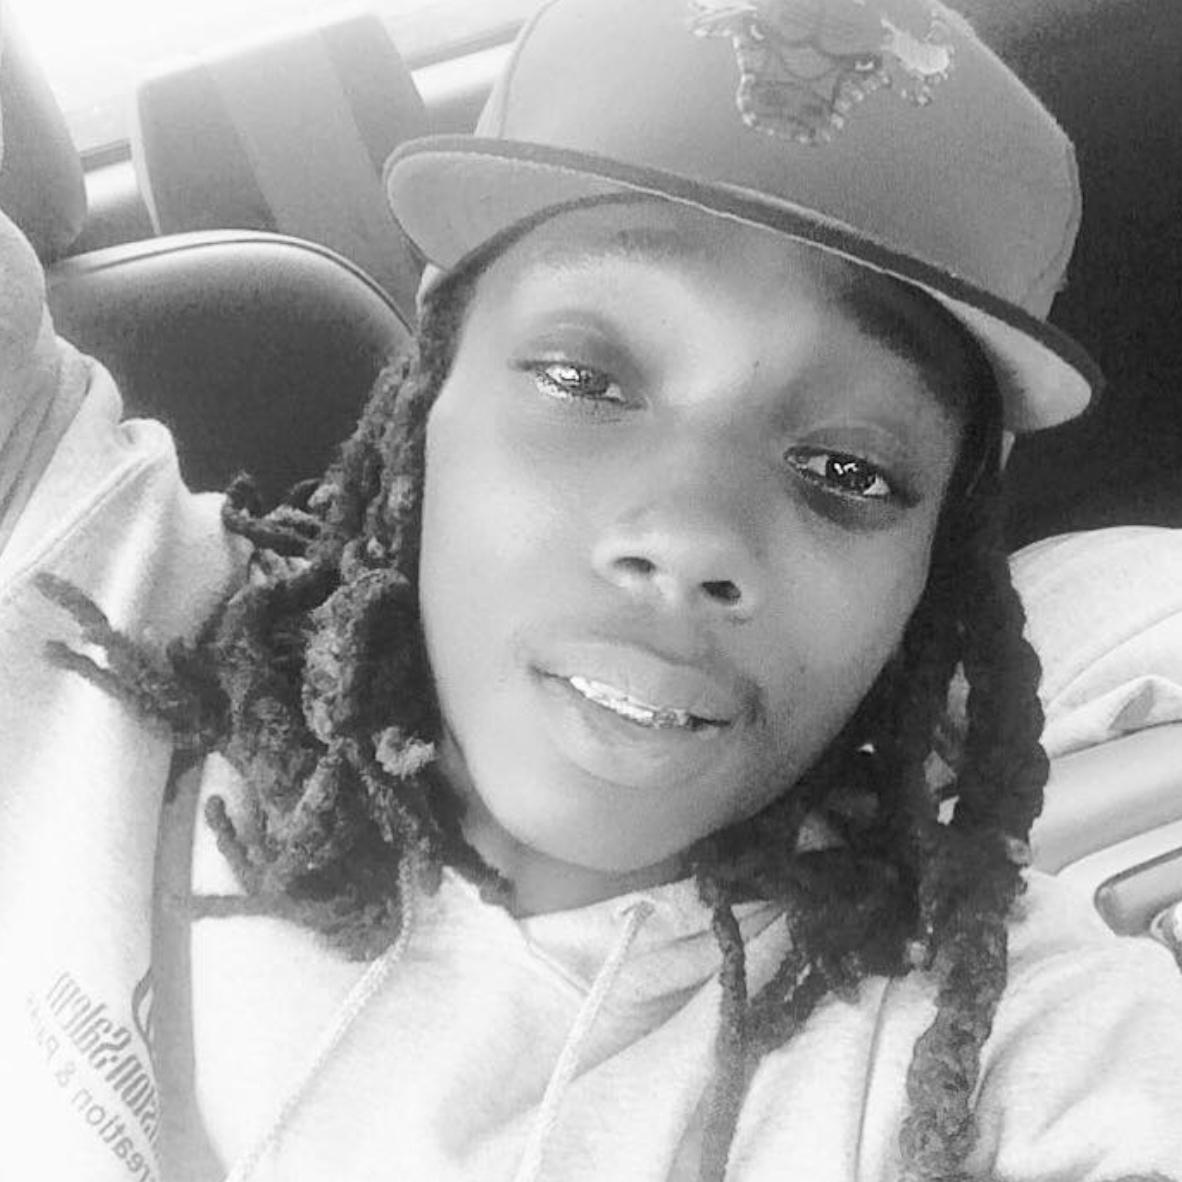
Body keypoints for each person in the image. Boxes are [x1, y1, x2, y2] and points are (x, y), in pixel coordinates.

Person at [2, 0, 1182, 1179]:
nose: (689, 536)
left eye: (847, 470)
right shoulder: (78, 564)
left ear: (935, 561)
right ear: (430, 378)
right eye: (583, 379)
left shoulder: (1004, 1042)